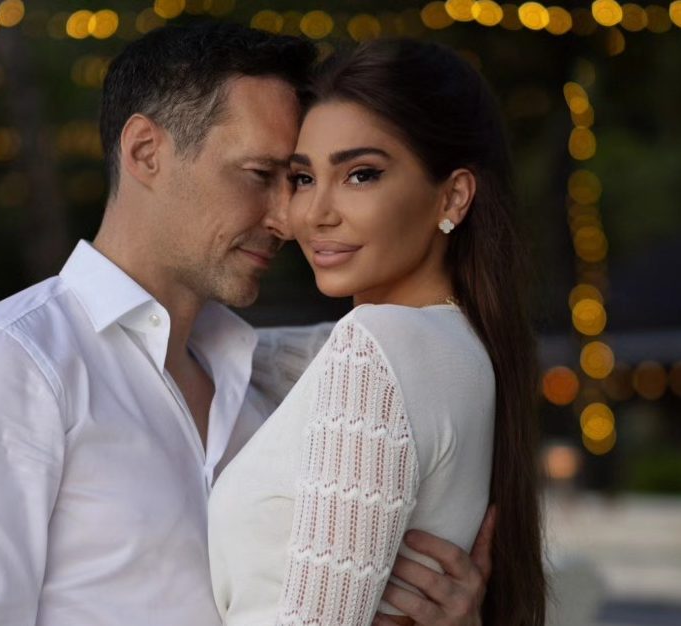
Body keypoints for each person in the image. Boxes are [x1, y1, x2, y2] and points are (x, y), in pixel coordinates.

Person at [0, 23, 492, 626]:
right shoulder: (8, 364)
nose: (286, 217)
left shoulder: (276, 378)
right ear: (146, 151)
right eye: (261, 175)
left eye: (292, 179)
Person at [207, 39, 546, 626]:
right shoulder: (465, 348)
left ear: (453, 197)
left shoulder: (376, 347)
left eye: (361, 175)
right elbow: (243, 354)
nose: (316, 214)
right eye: (303, 178)